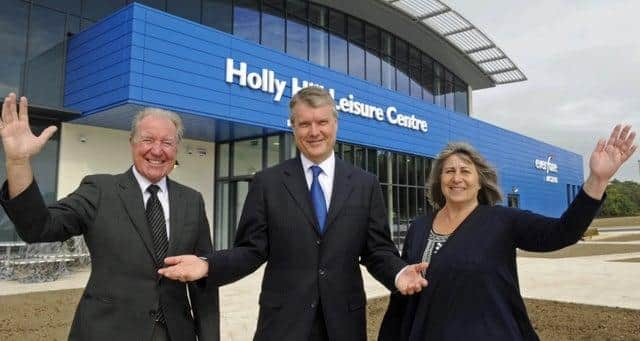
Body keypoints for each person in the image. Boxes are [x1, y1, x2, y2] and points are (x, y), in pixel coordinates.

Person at [157, 86, 429, 340]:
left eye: (322, 122)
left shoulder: (364, 184)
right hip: (282, 324)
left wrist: (398, 273)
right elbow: (251, 250)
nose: (314, 132)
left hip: (343, 325)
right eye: (304, 123)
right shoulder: (268, 183)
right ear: (293, 127)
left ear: (335, 124)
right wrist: (207, 265)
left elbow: (377, 250)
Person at [378, 124, 637, 341]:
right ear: (439, 180)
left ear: (480, 182)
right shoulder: (418, 228)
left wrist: (597, 180)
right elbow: (403, 296)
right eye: (449, 171)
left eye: (465, 171)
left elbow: (563, 232)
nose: (457, 177)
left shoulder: (502, 221)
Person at [0, 93, 220, 341]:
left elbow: (204, 279)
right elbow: (39, 228)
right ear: (132, 143)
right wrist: (18, 163)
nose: (157, 150)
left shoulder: (192, 200)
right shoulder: (99, 190)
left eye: (167, 142)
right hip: (107, 332)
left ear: (176, 148)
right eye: (147, 139)